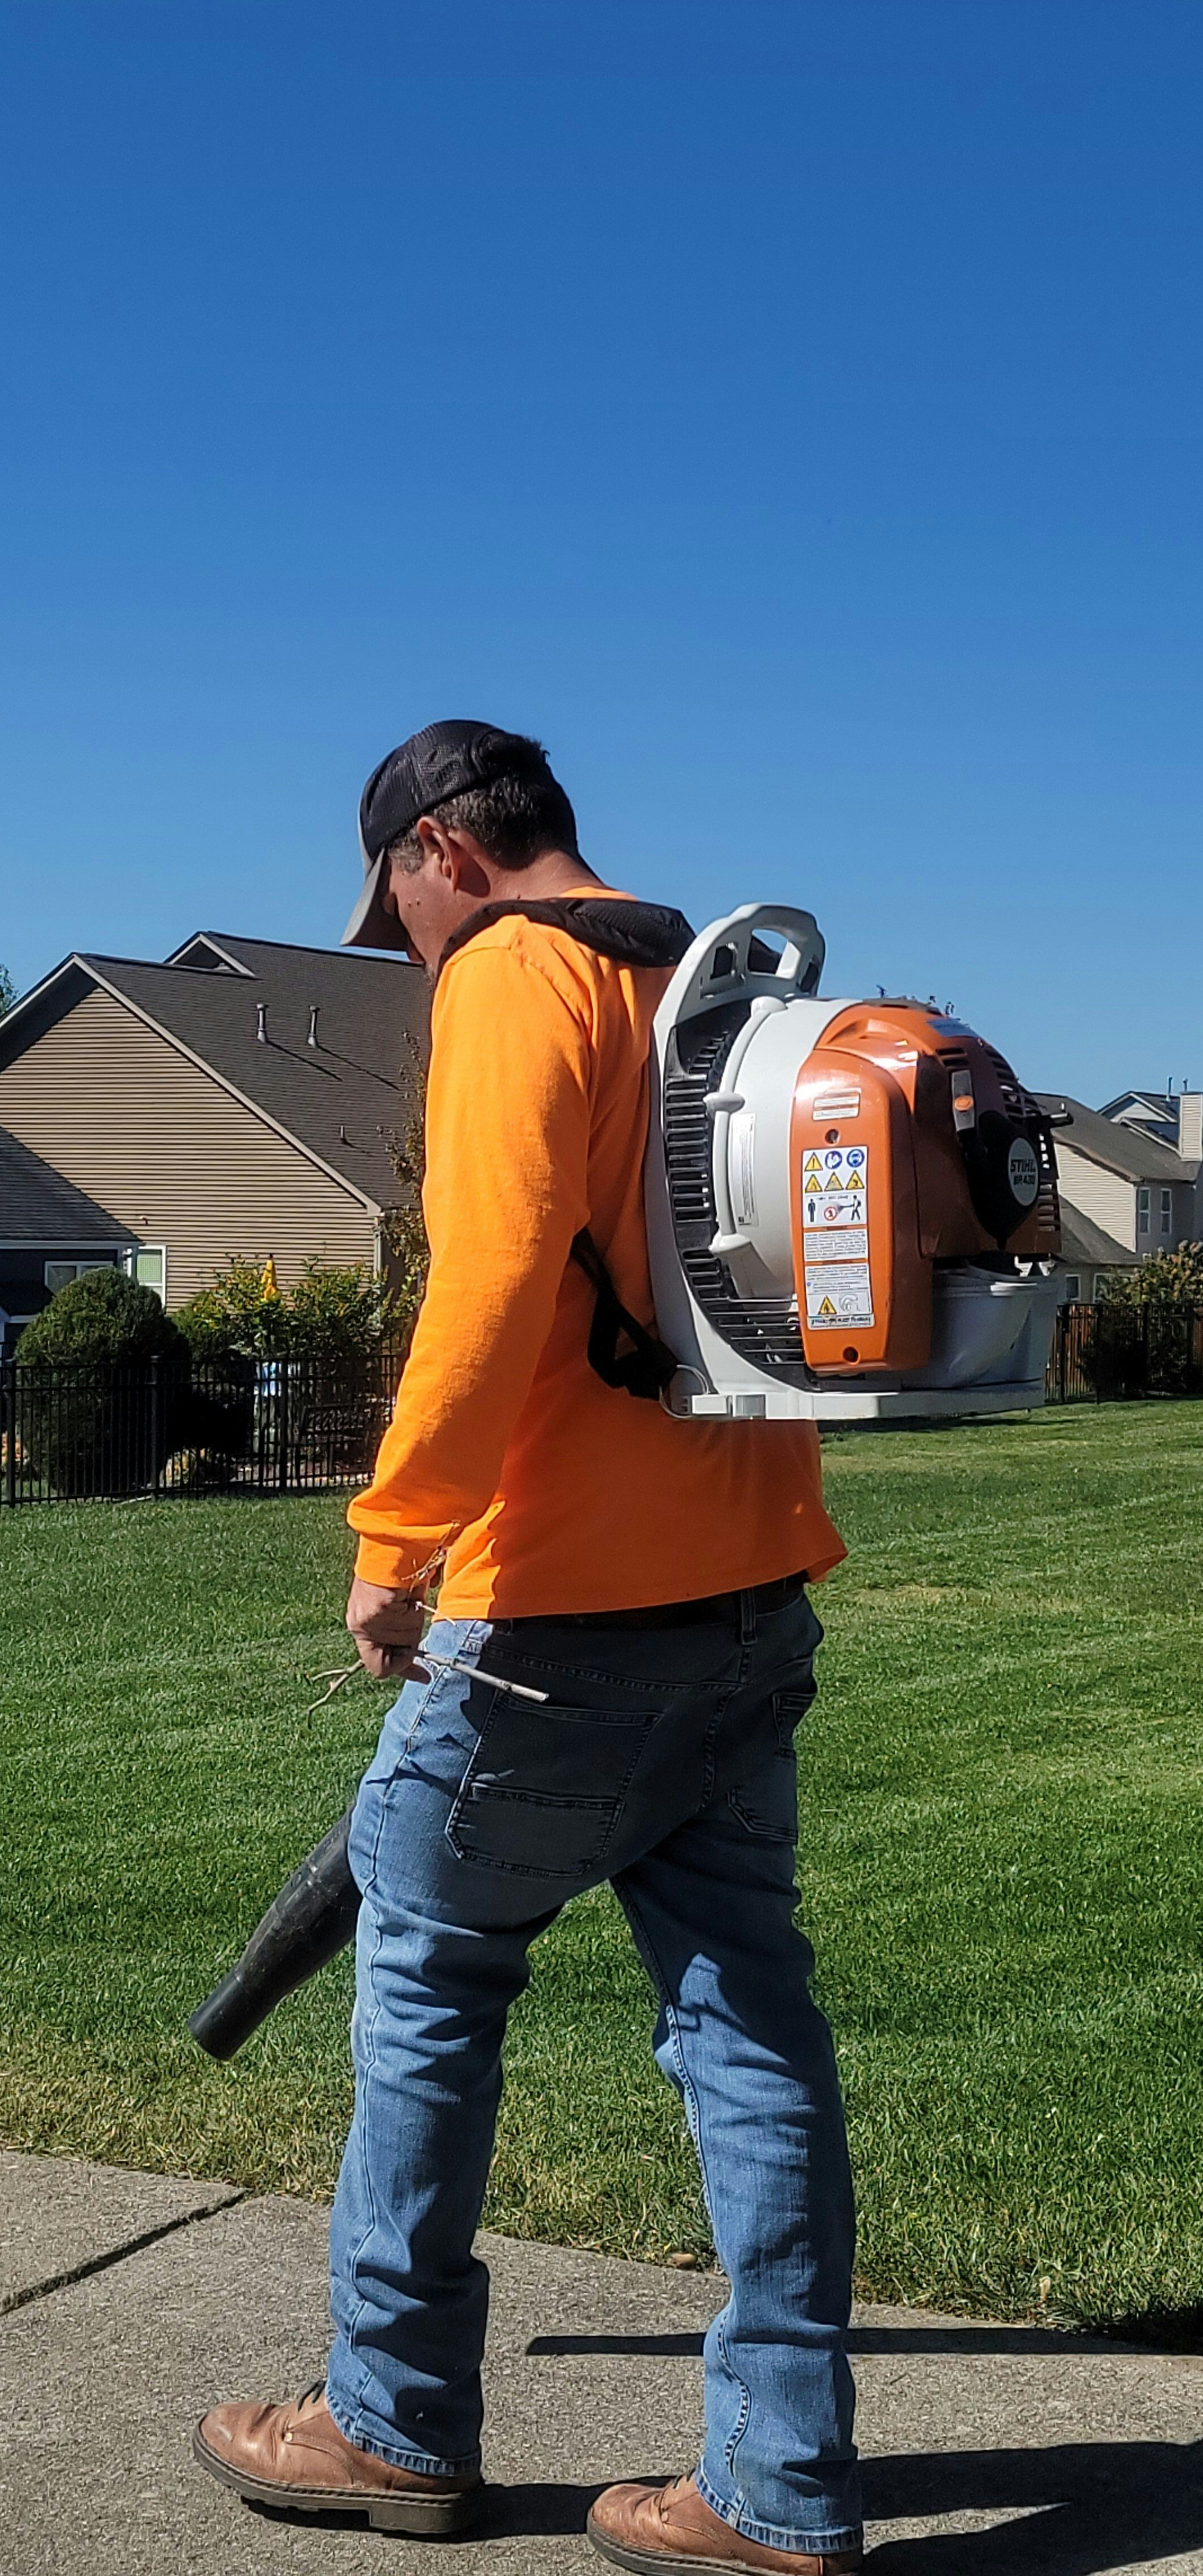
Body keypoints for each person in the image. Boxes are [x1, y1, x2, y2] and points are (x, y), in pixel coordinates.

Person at [194, 722, 862, 2574]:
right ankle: (778, 2487)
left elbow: (487, 1279)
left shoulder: (515, 973)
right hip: (745, 1589)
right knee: (747, 2028)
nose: (401, 949)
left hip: (550, 1620)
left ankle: (388, 2423)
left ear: (438, 856)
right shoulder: (701, 977)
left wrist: (393, 1538)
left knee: (424, 1996)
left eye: (392, 911)